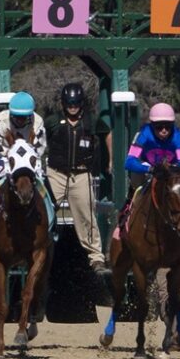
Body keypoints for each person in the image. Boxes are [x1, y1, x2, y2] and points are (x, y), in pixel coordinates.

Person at [123, 101, 180, 350]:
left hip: (169, 180)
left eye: (167, 127)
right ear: (152, 126)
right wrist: (150, 167)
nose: (164, 131)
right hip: (145, 177)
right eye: (160, 127)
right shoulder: (143, 135)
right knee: (136, 192)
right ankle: (125, 218)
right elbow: (129, 161)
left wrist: (172, 172)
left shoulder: (178, 137)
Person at [45, 83, 112, 275]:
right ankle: (36, 248)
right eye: (69, 103)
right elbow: (39, 137)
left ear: (81, 103)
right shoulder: (53, 121)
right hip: (56, 173)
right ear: (63, 103)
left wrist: (111, 159)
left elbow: (107, 134)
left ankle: (96, 258)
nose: (72, 106)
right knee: (44, 209)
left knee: (87, 214)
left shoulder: (91, 121)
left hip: (81, 174)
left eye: (75, 103)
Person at [0, 91, 51, 229]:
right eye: (17, 117)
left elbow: (40, 147)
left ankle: (51, 209)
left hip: (30, 160)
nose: (20, 120)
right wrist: (10, 154)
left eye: (24, 117)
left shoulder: (38, 121)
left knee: (43, 181)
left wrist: (25, 156)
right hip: (6, 159)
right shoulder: (0, 119)